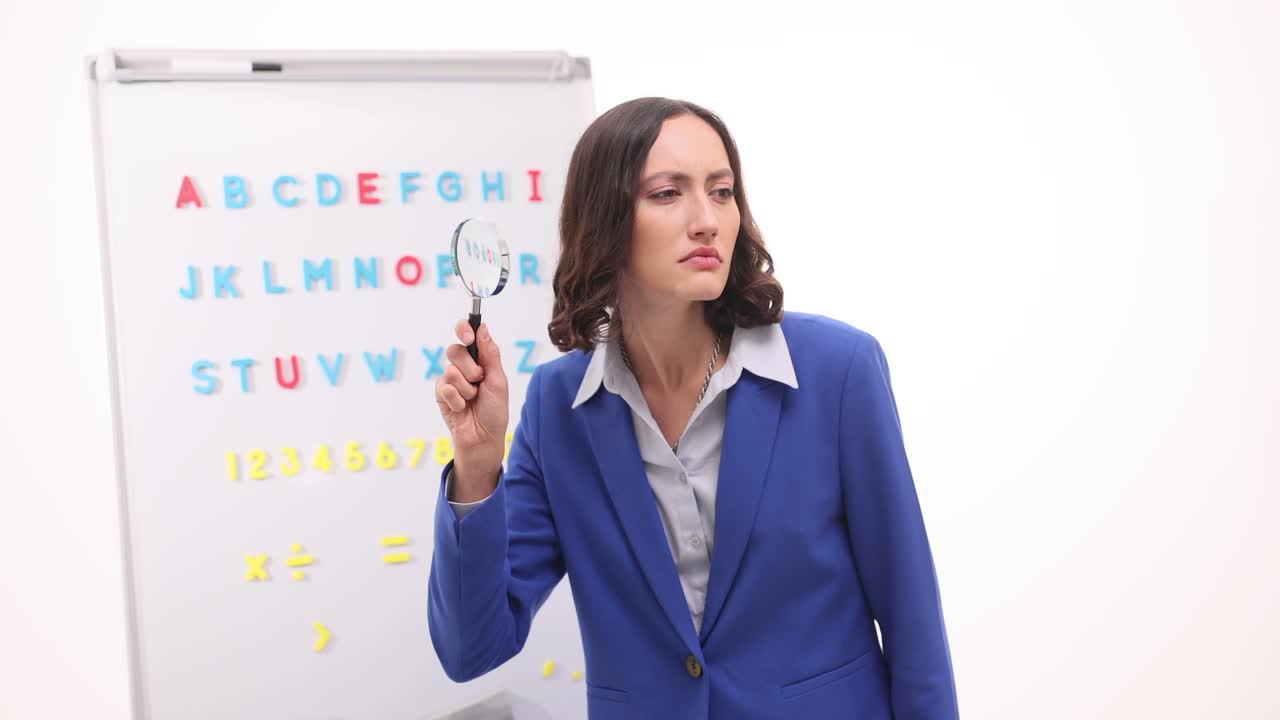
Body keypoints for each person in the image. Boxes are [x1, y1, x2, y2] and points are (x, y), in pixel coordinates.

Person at [429, 97, 959, 719]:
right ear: (604, 220)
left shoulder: (837, 371)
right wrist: (475, 465)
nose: (707, 219)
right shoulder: (558, 408)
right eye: (667, 194)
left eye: (722, 191)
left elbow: (912, 618)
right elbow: (471, 649)